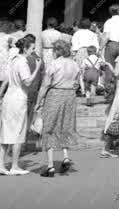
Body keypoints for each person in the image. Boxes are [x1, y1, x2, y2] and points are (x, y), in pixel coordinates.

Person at [36, 39, 79, 177]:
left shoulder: (54, 64)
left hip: (55, 93)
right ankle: (65, 156)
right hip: (70, 95)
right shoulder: (74, 64)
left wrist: (38, 101)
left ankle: (50, 166)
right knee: (65, 125)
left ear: (57, 50)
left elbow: (45, 85)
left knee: (50, 126)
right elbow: (76, 83)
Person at [0, 37, 42, 175]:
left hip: (9, 97)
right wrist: (36, 68)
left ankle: (1, 164)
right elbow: (28, 82)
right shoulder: (22, 62)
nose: (33, 51)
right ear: (25, 48)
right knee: (18, 132)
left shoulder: (13, 60)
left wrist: (1, 94)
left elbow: (6, 80)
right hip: (18, 98)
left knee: (6, 131)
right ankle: (14, 166)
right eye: (32, 48)